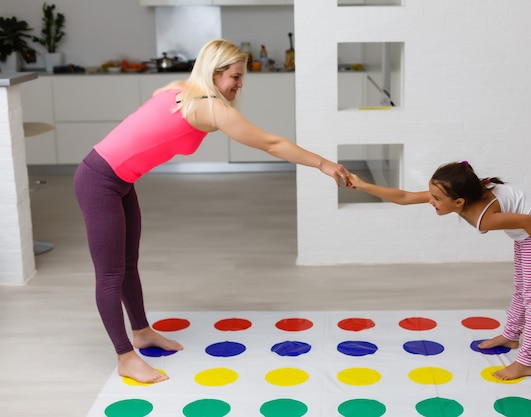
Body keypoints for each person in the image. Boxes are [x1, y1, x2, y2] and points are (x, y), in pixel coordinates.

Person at [73, 39, 351, 384]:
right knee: (111, 274)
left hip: (120, 181)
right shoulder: (208, 107)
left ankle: (142, 332)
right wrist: (322, 163)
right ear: (215, 73)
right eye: (235, 76)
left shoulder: (183, 89)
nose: (239, 84)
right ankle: (125, 356)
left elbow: (162, 96)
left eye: (241, 77)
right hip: (98, 180)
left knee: (128, 265)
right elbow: (271, 143)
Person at [348, 161, 531, 380]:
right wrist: (363, 186)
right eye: (431, 195)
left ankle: (527, 362)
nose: (431, 201)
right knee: (521, 288)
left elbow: (528, 220)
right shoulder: (454, 194)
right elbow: (405, 197)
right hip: (524, 234)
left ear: (459, 202)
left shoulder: (483, 218)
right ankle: (511, 336)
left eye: (436, 199)